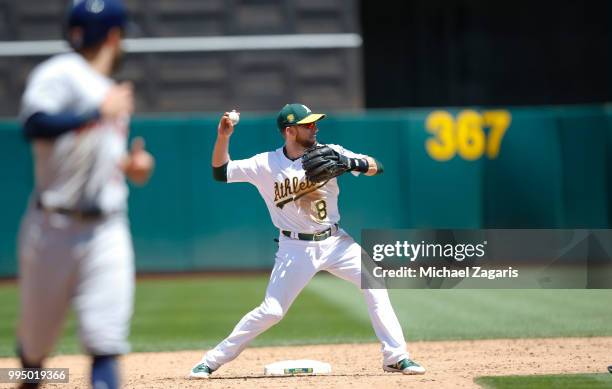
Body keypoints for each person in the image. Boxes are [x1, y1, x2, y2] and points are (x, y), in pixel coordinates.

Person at [189, 103, 425, 378]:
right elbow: (220, 172)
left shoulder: (331, 152)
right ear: (290, 131)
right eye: (308, 124)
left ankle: (396, 357)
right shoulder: (266, 163)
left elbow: (377, 166)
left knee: (374, 281)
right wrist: (224, 136)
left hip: (336, 241)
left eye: (314, 123)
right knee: (272, 311)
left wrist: (350, 163)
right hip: (295, 248)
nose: (315, 127)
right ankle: (212, 360)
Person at [16, 1, 154, 388]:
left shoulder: (108, 89)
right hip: (52, 228)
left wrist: (129, 164)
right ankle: (26, 374)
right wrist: (96, 112)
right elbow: (34, 124)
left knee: (106, 343)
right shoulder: (60, 72)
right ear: (115, 35)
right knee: (33, 354)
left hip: (107, 229)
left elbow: (93, 149)